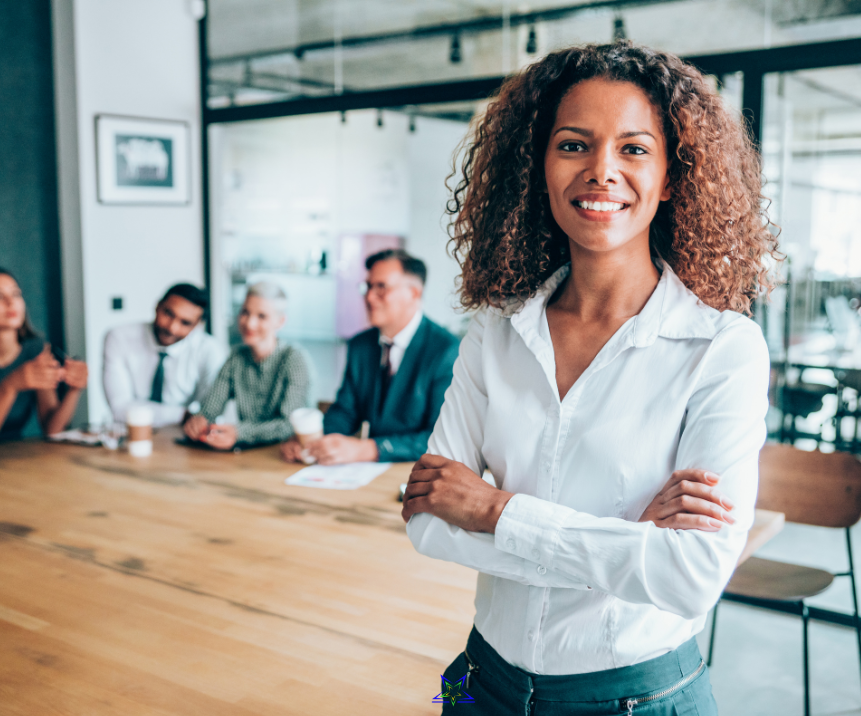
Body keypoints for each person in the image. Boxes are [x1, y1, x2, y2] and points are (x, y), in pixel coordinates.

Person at [401, 42, 780, 715]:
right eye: (573, 145)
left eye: (633, 149)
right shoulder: (495, 330)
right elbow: (428, 520)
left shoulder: (722, 349)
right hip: (481, 683)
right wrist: (628, 539)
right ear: (538, 167)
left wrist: (493, 511)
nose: (601, 171)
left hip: (635, 697)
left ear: (671, 176)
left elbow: (689, 577)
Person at [280, 249, 460, 464]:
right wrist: (312, 443)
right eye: (368, 286)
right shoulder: (360, 345)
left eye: (381, 287)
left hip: (419, 473)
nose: (369, 297)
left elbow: (440, 438)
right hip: (366, 475)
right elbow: (346, 410)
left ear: (414, 293)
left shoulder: (446, 350)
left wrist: (368, 449)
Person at [184, 282, 311, 450]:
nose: (249, 323)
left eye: (262, 316)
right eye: (245, 312)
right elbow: (210, 408)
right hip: (246, 456)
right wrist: (200, 420)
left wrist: (239, 433)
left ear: (280, 322)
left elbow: (289, 425)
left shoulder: (294, 359)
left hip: (285, 454)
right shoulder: (236, 357)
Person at [103, 283, 226, 428]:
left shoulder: (209, 349)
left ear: (197, 325)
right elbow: (120, 408)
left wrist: (196, 418)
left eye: (185, 322)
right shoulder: (119, 337)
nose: (172, 328)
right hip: (131, 433)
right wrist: (184, 415)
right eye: (168, 313)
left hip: (183, 437)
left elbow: (210, 411)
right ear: (157, 306)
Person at [0, 267, 88, 441]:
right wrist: (9, 386)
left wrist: (74, 389)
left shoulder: (36, 351)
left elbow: (52, 430)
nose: (11, 302)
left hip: (17, 457)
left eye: (16, 294)